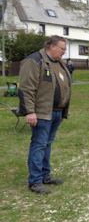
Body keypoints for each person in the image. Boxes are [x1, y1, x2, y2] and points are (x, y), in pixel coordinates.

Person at [18, 35, 72, 194]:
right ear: (52, 46)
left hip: (55, 112)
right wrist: (30, 112)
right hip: (41, 113)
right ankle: (35, 181)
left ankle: (45, 176)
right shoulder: (34, 61)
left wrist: (63, 111)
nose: (64, 51)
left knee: (47, 144)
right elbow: (26, 89)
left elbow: (64, 87)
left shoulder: (59, 63)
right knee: (39, 145)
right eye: (62, 48)